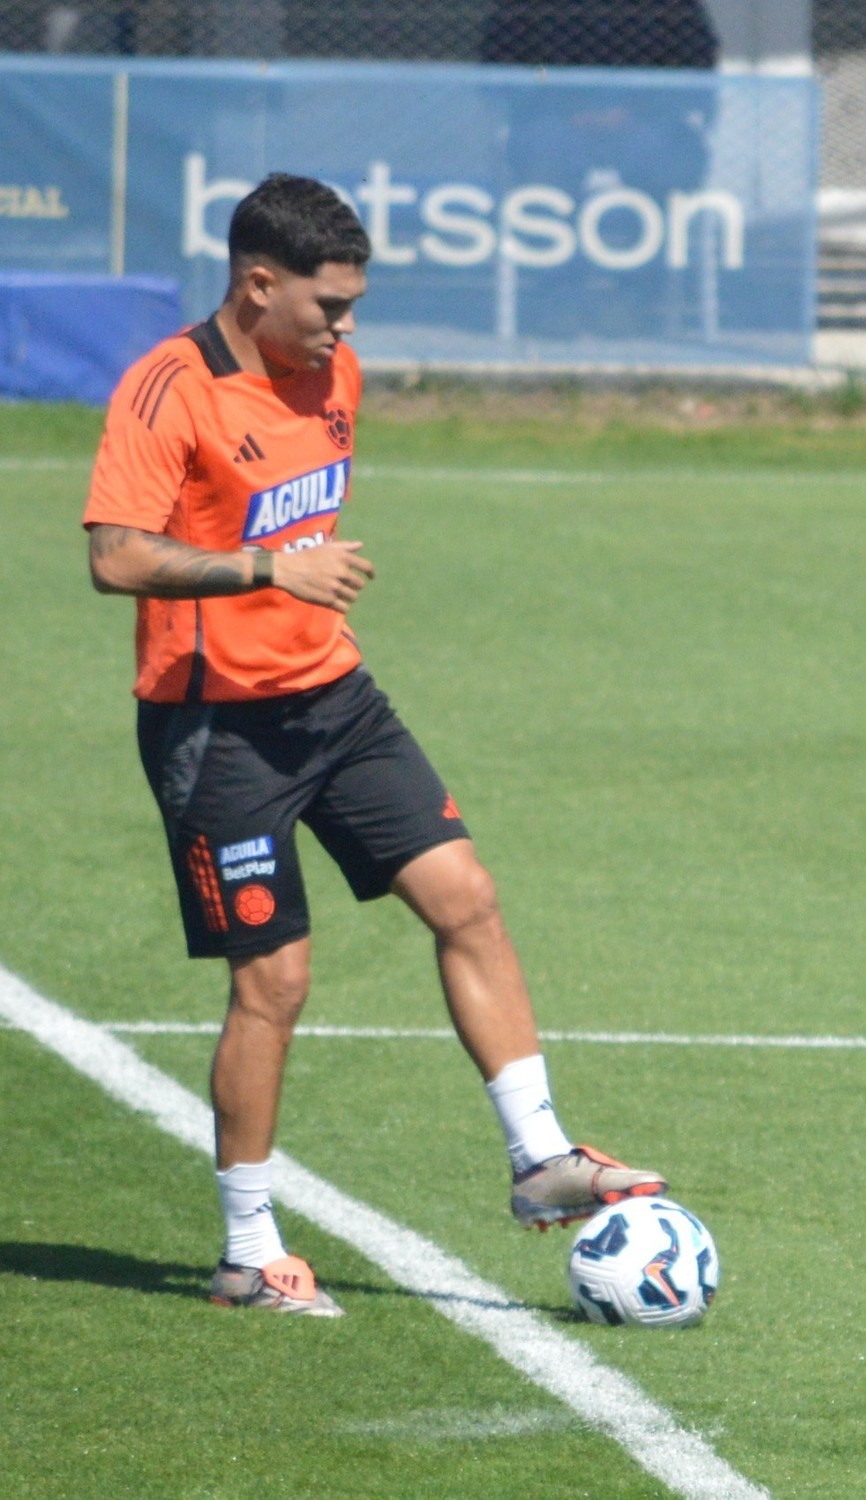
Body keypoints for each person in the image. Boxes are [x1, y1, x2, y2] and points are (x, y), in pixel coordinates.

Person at [84, 174, 665, 1317]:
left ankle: (537, 1157)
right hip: (215, 727)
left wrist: (296, 577)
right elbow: (114, 556)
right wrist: (266, 568)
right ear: (259, 284)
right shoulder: (167, 391)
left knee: (467, 897)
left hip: (334, 696)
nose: (346, 329)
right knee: (276, 981)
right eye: (327, 305)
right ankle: (248, 1249)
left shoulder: (333, 372)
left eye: (352, 305)